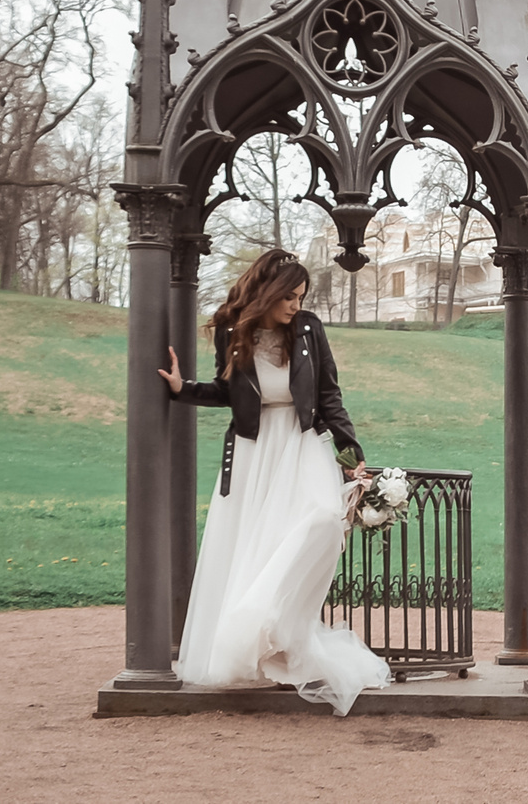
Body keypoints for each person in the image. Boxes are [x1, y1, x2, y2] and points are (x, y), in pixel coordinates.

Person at [159, 247, 392, 713]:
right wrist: (183, 390)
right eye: (289, 296)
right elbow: (227, 392)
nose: (296, 306)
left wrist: (352, 458)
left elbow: (329, 394)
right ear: (268, 292)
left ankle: (267, 620)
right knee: (253, 542)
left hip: (302, 443)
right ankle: (258, 638)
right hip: (253, 449)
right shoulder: (232, 330)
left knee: (324, 519)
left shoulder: (308, 330)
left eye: (302, 297)